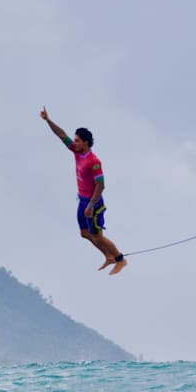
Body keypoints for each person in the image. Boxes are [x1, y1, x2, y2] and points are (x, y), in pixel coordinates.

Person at [40, 107, 127, 275]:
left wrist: (91, 205)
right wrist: (47, 120)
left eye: (78, 140)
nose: (75, 143)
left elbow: (101, 185)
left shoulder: (94, 161)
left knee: (97, 236)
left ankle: (119, 259)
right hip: (82, 200)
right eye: (75, 140)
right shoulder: (76, 151)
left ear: (86, 142)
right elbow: (61, 135)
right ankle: (108, 256)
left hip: (93, 203)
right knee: (85, 233)